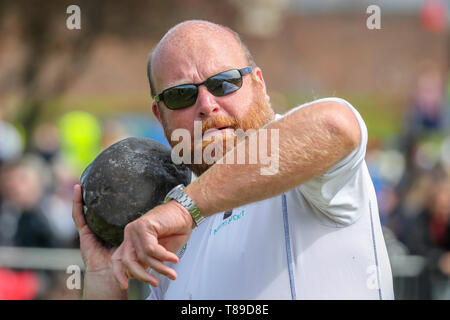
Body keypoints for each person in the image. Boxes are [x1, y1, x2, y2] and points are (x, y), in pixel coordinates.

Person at [72, 20, 394, 299]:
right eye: (181, 94)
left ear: (259, 85)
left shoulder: (310, 173)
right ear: (160, 116)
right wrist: (105, 279)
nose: (207, 104)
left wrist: (186, 208)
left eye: (224, 82)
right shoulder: (170, 233)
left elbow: (335, 126)